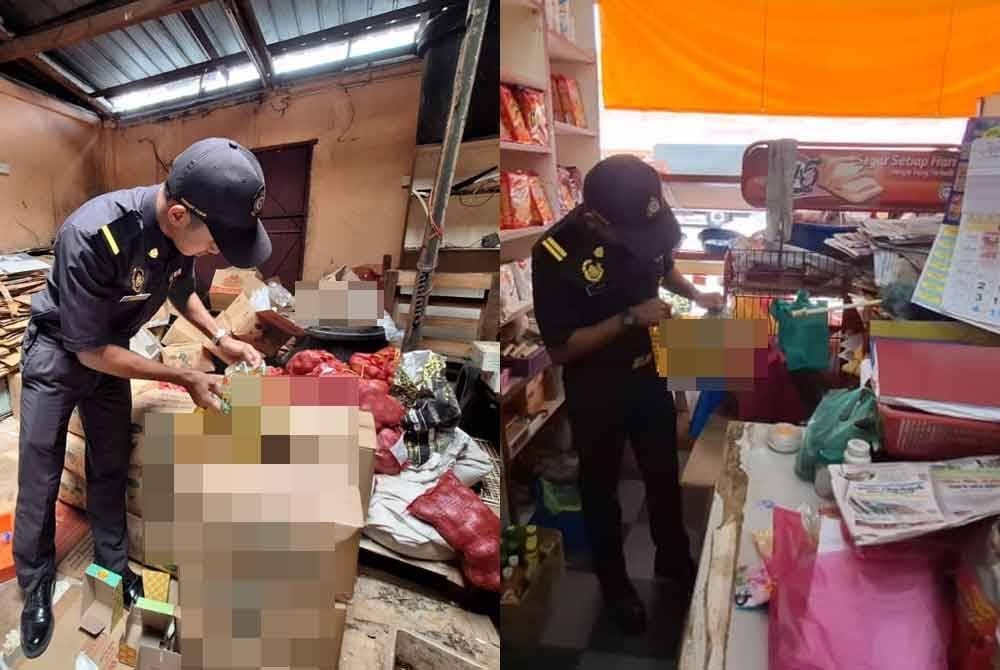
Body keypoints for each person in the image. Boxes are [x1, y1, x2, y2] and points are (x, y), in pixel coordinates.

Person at [14, 137, 273, 658]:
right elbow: (87, 350)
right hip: (60, 354)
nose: (217, 251)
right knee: (40, 474)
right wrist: (184, 376)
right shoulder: (92, 234)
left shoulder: (180, 235)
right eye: (215, 241)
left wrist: (221, 338)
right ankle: (35, 584)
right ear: (178, 215)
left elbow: (182, 291)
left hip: (111, 353)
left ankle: (113, 566)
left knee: (110, 462)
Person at [532, 155, 724, 634]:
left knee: (663, 473)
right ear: (598, 219)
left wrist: (696, 295)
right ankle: (614, 584)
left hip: (649, 372)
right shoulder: (555, 253)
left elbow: (663, 267)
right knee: (601, 489)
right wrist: (630, 318)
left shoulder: (644, 222)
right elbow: (560, 349)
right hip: (596, 388)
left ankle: (673, 559)